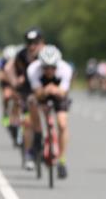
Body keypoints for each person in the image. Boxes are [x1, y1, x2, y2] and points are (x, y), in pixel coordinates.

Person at [27, 45, 73, 179]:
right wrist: (46, 90)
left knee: (62, 124)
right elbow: (37, 93)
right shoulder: (33, 70)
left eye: (52, 67)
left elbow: (63, 92)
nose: (49, 70)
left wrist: (54, 89)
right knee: (32, 104)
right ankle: (38, 134)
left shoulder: (65, 69)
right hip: (41, 93)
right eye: (46, 67)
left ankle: (62, 161)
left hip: (59, 95)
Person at [5, 28, 46, 170]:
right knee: (28, 122)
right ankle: (29, 154)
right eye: (29, 43)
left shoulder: (47, 53)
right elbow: (8, 68)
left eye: (35, 43)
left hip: (43, 90)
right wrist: (15, 82)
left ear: (41, 42)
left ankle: (49, 147)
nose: (32, 46)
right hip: (27, 90)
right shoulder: (21, 55)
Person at [0, 44, 20, 129]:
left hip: (15, 83)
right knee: (6, 96)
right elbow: (0, 75)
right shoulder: (1, 62)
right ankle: (5, 114)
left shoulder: (18, 61)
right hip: (6, 83)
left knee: (18, 99)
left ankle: (15, 116)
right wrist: (10, 79)